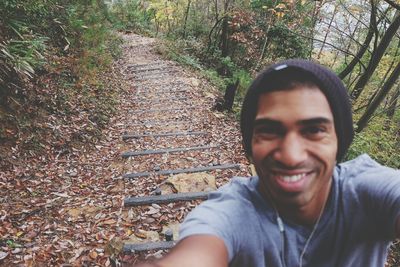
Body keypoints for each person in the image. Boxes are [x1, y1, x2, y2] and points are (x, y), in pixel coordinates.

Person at [134, 59, 400, 267]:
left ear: (339, 141)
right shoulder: (233, 211)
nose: (292, 156)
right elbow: (200, 249)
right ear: (250, 144)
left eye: (314, 130)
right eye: (269, 131)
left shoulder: (367, 192)